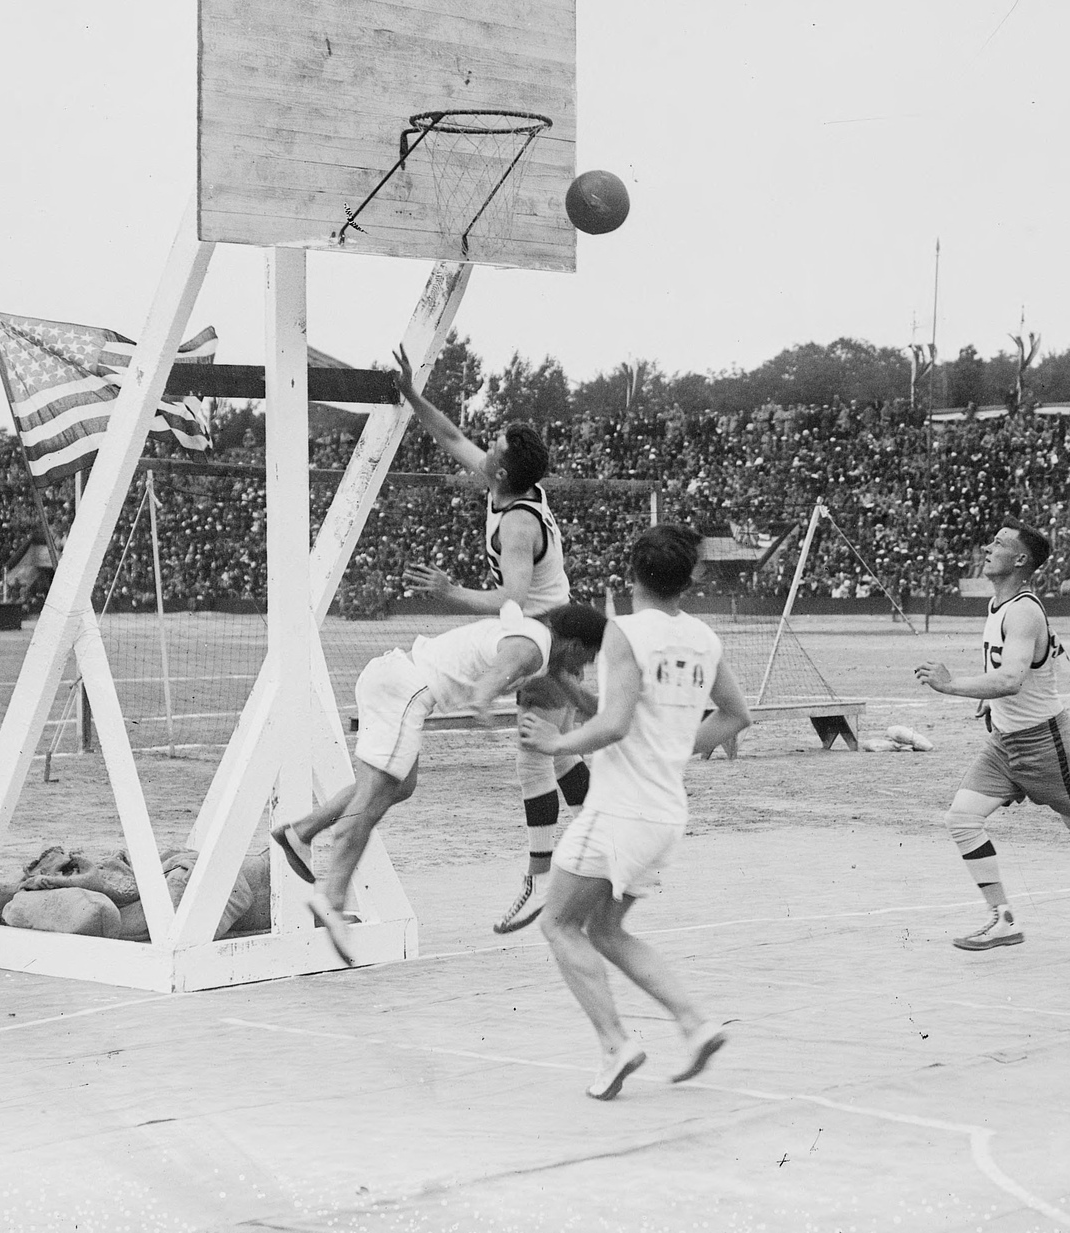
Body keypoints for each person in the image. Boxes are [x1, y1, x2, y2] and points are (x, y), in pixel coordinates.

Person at [519, 524, 751, 1099]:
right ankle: (696, 1025)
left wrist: (555, 745)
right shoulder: (703, 638)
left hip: (620, 811)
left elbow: (615, 725)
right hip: (666, 814)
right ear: (690, 578)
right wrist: (672, 746)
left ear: (633, 574)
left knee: (557, 924)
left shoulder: (623, 630)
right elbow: (734, 716)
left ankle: (616, 1044)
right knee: (606, 929)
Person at [272, 602, 606, 964]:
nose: (586, 666)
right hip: (406, 691)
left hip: (391, 680)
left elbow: (579, 698)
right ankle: (332, 900)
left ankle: (302, 831)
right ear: (575, 645)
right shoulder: (531, 648)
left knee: (400, 786)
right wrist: (482, 704)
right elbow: (496, 674)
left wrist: (630, 714)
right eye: (590, 656)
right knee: (372, 800)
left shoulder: (541, 647)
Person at [390, 344, 592, 936]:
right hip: (551, 631)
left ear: (501, 469)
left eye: (495, 443)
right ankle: (609, 843)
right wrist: (411, 395)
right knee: (560, 751)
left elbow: (514, 600)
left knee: (536, 756)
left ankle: (544, 880)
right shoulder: (507, 485)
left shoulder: (520, 523)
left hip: (549, 636)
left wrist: (451, 593)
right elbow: (452, 436)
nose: (486, 444)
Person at [913, 523, 1070, 954]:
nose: (987, 546)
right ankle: (1002, 919)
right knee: (961, 819)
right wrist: (989, 703)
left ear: (1020, 560)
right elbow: (1014, 672)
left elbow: (1014, 678)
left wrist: (951, 685)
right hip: (1006, 742)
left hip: (1046, 743)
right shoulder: (998, 605)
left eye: (998, 543)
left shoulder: (1023, 610)